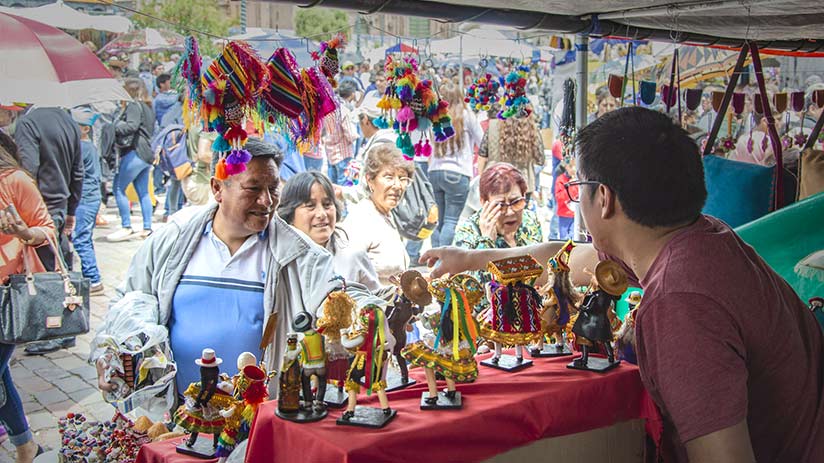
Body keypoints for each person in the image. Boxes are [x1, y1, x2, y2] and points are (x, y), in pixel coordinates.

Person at [422, 106, 824, 463]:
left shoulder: (680, 302)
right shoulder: (699, 239)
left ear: (604, 200)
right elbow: (561, 258)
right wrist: (470, 259)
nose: (576, 200)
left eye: (578, 189)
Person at [94, 139, 342, 396]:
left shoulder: (300, 254)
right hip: (178, 416)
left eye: (273, 188)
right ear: (217, 188)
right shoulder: (173, 239)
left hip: (259, 419)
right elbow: (129, 300)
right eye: (253, 188)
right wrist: (110, 353)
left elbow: (336, 300)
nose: (267, 200)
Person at [14, 106, 84, 355]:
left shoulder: (28, 122)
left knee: (49, 272)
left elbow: (28, 170)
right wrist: (71, 209)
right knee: (61, 267)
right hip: (59, 204)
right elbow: (78, 171)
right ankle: (67, 328)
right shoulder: (68, 121)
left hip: (39, 208)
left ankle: (55, 331)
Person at [0, 133, 48, 462]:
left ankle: (24, 443)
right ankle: (25, 444)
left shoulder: (15, 181)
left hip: (6, 295)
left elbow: (46, 228)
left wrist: (23, 233)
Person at [278, 171, 381, 292]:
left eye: (327, 205)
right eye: (310, 205)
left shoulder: (353, 256)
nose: (321, 214)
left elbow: (376, 303)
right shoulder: (279, 260)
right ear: (289, 214)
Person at [452, 163, 542, 288]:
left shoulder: (530, 221)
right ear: (484, 202)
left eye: (516, 202)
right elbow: (471, 289)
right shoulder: (468, 232)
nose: (510, 212)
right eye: (500, 205)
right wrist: (487, 241)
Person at [339, 145, 413, 285]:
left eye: (403, 178)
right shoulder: (362, 219)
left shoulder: (385, 214)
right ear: (370, 180)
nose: (397, 185)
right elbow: (348, 280)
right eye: (389, 177)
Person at [428, 82, 483, 248]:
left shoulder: (435, 116)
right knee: (451, 221)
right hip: (458, 173)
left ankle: (433, 256)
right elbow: (482, 141)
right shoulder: (467, 116)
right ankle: (441, 259)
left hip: (435, 171)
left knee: (438, 220)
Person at [107, 78, 155, 242]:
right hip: (146, 152)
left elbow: (132, 126)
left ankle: (126, 226)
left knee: (119, 188)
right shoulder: (148, 106)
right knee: (143, 192)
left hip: (135, 151)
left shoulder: (133, 105)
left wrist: (115, 126)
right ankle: (147, 227)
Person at [70, 108, 104, 295]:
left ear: (84, 129)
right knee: (84, 238)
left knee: (80, 239)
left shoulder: (82, 148)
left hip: (85, 198)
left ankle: (93, 279)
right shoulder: (89, 146)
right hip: (90, 198)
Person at [478, 112, 544, 199]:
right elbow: (540, 160)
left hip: (494, 181)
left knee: (494, 211)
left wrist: (481, 179)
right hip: (522, 183)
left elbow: (482, 156)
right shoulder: (532, 129)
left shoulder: (493, 126)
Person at [324, 81, 358, 185]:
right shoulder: (343, 110)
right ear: (352, 94)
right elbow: (351, 135)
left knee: (332, 185)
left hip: (330, 152)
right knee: (343, 184)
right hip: (343, 153)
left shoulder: (329, 108)